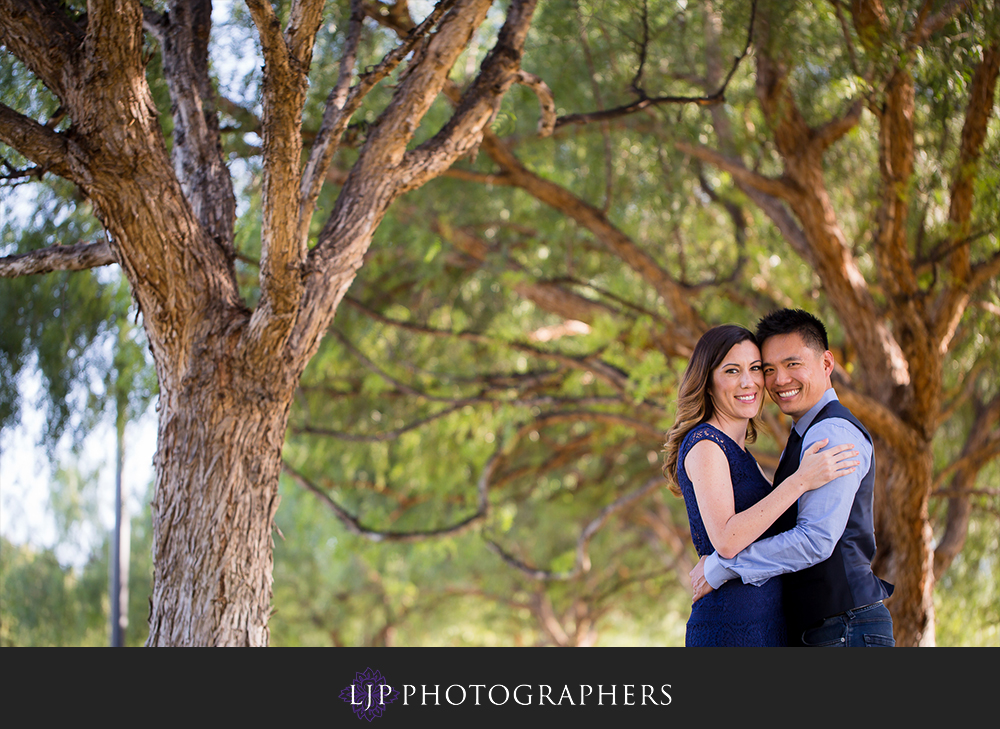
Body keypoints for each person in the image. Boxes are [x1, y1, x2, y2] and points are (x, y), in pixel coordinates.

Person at [690, 309, 895, 647]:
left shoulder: (831, 434)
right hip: (825, 629)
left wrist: (722, 567)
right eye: (768, 369)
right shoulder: (803, 435)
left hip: (845, 629)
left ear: (826, 364)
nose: (779, 379)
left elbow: (815, 540)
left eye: (792, 364)